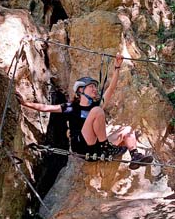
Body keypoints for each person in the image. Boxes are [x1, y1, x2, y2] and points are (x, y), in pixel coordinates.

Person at [19, 53, 153, 170]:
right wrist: (26, 103)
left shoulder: (95, 105)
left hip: (97, 148)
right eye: (91, 87)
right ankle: (106, 147)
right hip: (83, 146)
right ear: (81, 90)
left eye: (95, 87)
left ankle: (135, 156)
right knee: (97, 111)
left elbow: (111, 89)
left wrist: (117, 67)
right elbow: (46, 108)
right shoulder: (71, 107)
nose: (95, 89)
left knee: (127, 130)